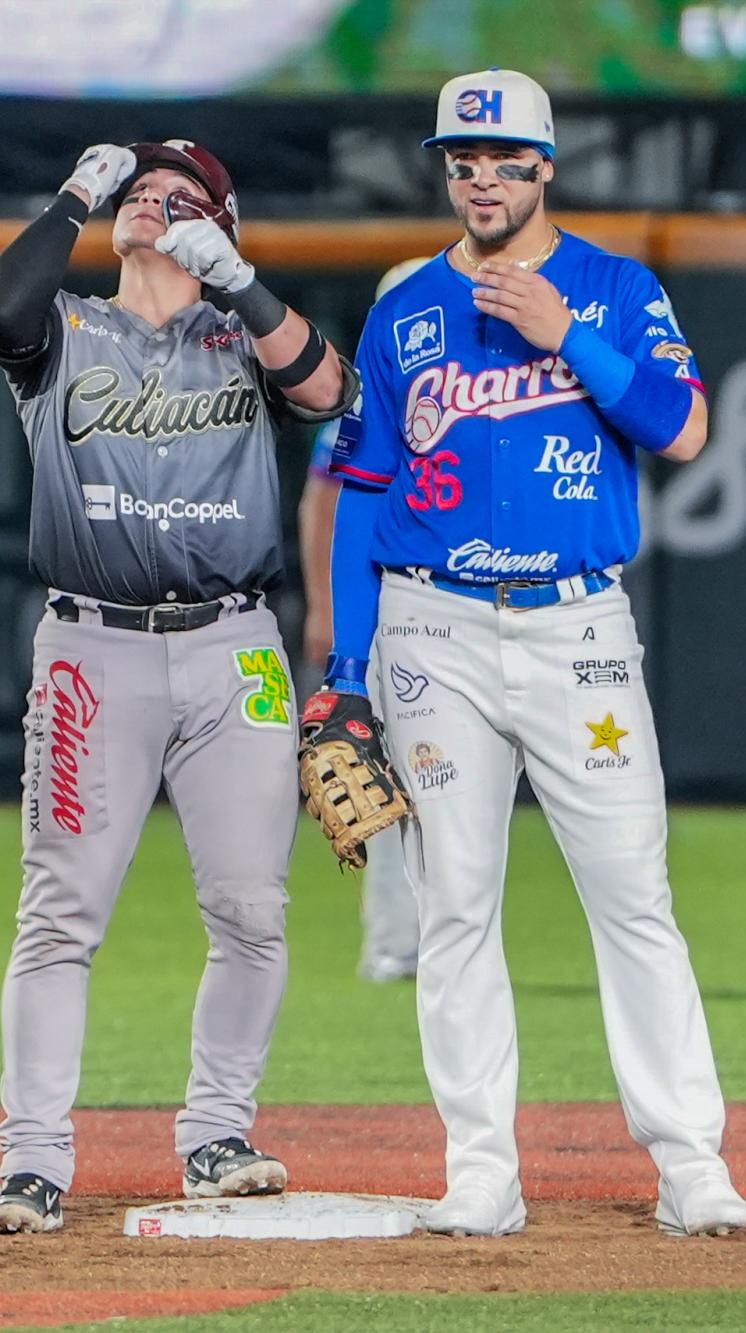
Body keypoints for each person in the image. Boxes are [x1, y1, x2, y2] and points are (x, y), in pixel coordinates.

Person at [310, 69, 746, 1238]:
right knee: (454, 903)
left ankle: (688, 1161)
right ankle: (479, 1169)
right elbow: (361, 496)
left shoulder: (611, 286)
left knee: (631, 893)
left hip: (575, 625)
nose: (481, 178)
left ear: (544, 167)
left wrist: (566, 337)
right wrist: (345, 672)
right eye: (461, 159)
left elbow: (683, 426)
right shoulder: (404, 309)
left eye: (504, 159)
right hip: (431, 628)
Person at [0, 139, 356, 1234]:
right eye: (142, 194)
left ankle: (217, 1133)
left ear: (222, 229)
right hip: (94, 649)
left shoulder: (243, 333)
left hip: (235, 647)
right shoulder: (67, 328)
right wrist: (76, 198)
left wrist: (232, 273)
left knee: (251, 909)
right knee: (60, 916)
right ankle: (33, 1161)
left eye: (183, 198)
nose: (155, 205)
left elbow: (328, 390)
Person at [296, 256, 428, 984]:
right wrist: (324, 605)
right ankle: (392, 940)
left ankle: (444, 937)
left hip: (446, 608)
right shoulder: (366, 396)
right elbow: (323, 502)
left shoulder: (473, 388)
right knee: (375, 779)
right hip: (377, 611)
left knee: (445, 786)